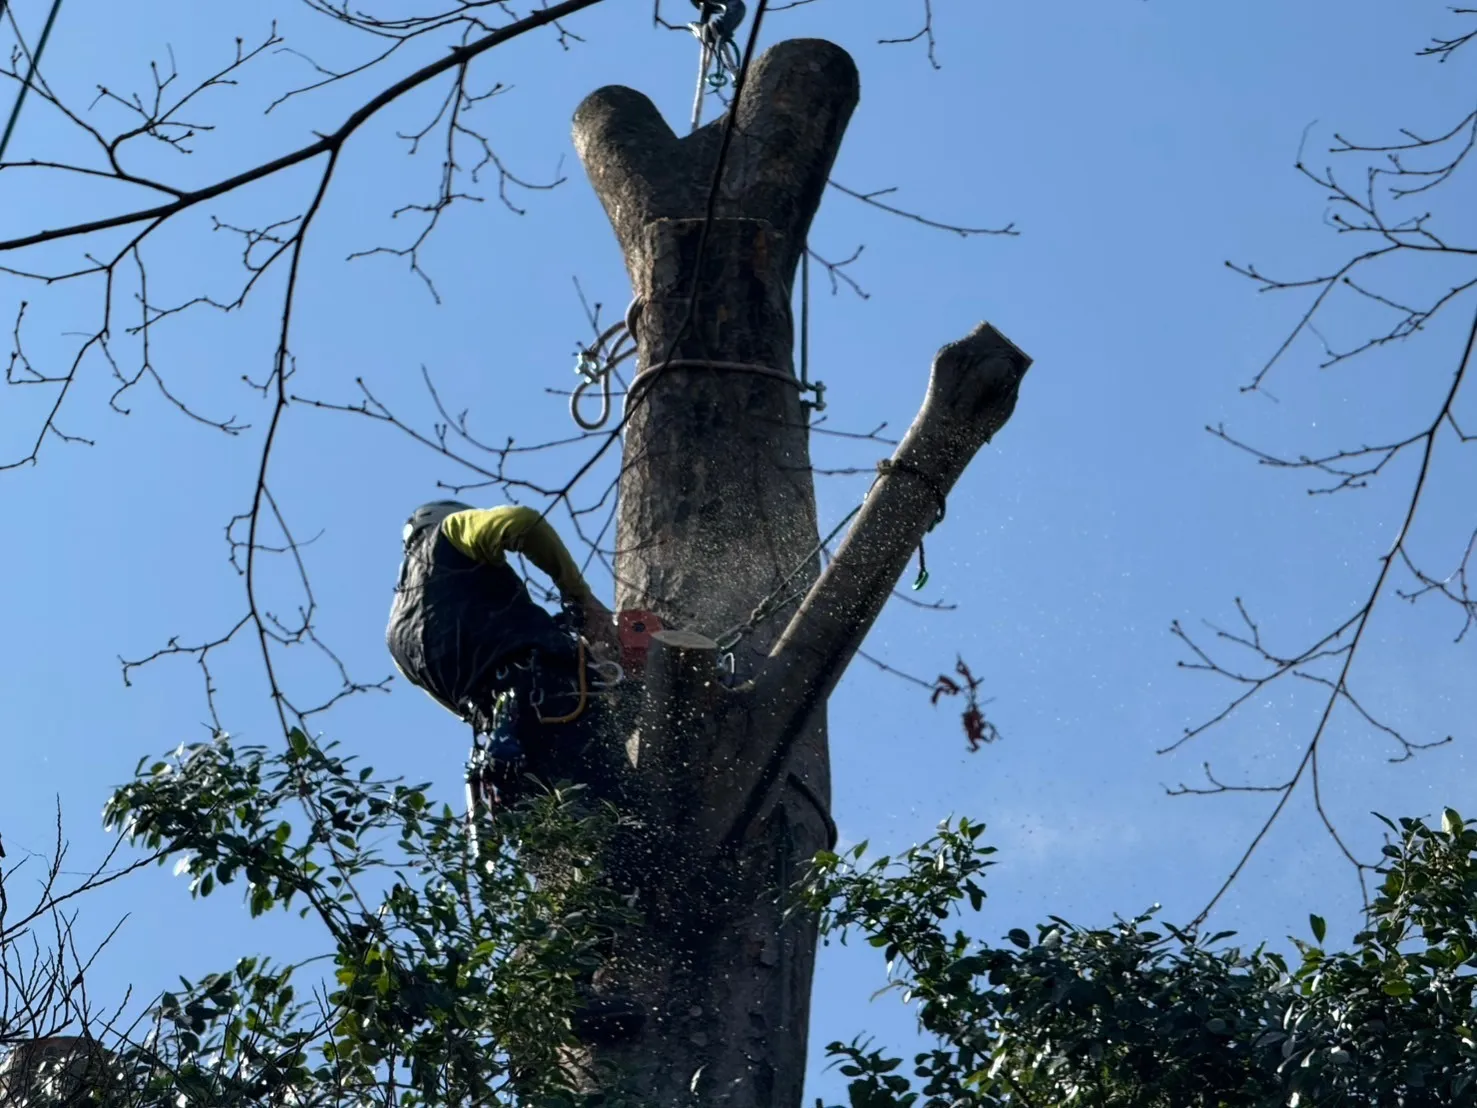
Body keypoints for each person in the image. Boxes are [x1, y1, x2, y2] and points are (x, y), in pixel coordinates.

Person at [387, 500, 619, 793]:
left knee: (583, 822)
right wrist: (581, 598)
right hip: (549, 692)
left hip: (514, 752)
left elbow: (460, 709)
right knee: (631, 805)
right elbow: (522, 521)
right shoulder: (449, 533)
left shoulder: (395, 638)